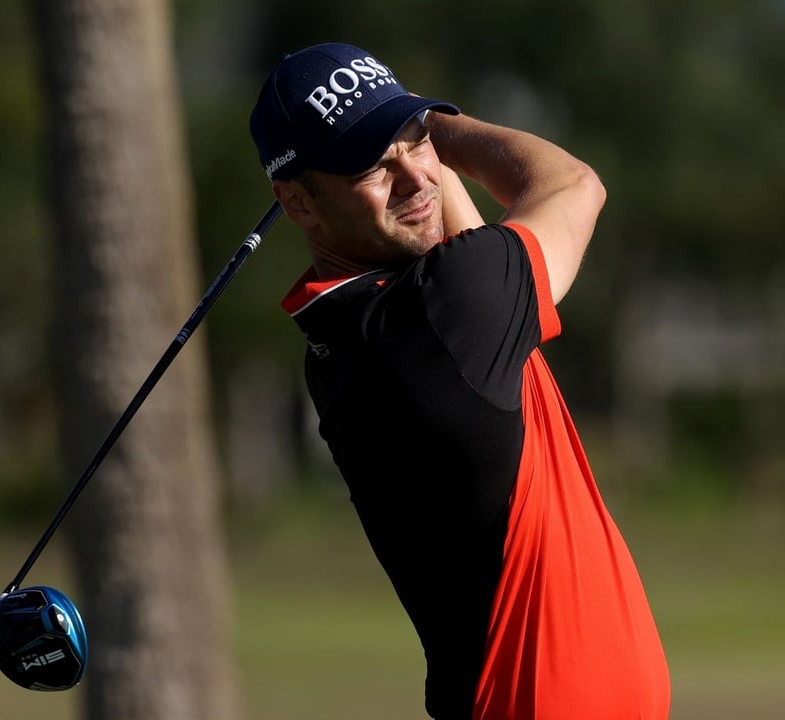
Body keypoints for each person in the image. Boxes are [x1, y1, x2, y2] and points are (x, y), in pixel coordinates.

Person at [248, 43, 670, 719]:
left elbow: (452, 233)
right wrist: (437, 126)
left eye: (415, 143)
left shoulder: (355, 330)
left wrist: (391, 129)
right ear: (297, 204)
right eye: (371, 166)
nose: (417, 177)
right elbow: (575, 184)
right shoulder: (452, 310)